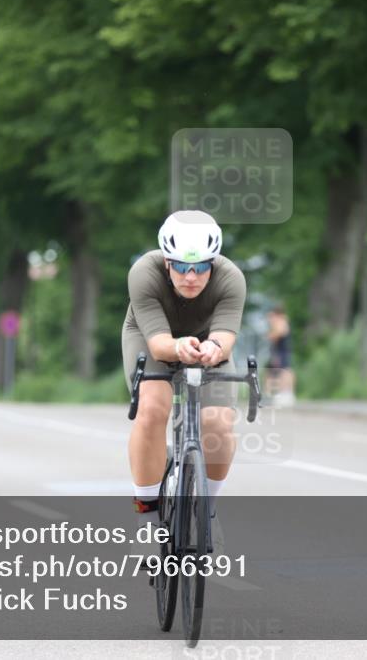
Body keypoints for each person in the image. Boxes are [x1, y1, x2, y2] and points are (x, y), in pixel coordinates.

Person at [122, 210, 246, 538]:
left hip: (207, 341)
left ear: (213, 263)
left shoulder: (231, 278)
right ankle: (146, 519)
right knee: (151, 410)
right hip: (152, 340)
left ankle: (208, 511)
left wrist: (215, 349)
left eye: (201, 267)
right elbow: (160, 344)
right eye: (180, 266)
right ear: (166, 262)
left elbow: (225, 338)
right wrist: (179, 349)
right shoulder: (143, 273)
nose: (190, 276)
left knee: (218, 423)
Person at [265, 304, 296, 406]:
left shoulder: (281, 322)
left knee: (285, 372)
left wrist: (270, 335)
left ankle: (286, 394)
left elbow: (278, 334)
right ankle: (273, 394)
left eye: (271, 316)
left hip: (282, 351)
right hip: (278, 351)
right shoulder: (281, 322)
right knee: (273, 373)